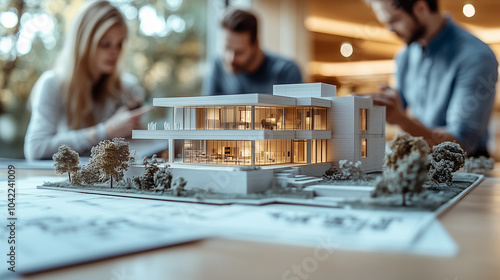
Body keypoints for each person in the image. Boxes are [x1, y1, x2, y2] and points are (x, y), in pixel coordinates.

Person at [364, 0, 498, 157]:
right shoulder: (404, 56)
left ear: (421, 8)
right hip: (422, 158)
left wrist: (402, 120)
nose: (390, 29)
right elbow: (399, 107)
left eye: (394, 20)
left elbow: (460, 143)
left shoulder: (475, 56)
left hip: (467, 165)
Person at [24, 0, 151, 160]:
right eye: (105, 44)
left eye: (120, 44)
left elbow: (138, 150)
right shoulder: (52, 84)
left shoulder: (128, 87)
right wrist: (105, 131)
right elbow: (35, 149)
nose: (115, 52)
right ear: (83, 42)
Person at [203, 9, 303, 95]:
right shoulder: (218, 65)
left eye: (239, 52)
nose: (230, 59)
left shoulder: (286, 71)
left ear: (256, 45)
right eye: (226, 48)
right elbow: (206, 112)